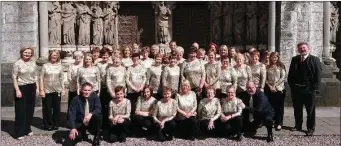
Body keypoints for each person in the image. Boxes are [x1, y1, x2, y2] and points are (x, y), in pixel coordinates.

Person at [287, 42, 322, 136]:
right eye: (300, 48)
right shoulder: (295, 59)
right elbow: (290, 74)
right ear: (298, 50)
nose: (302, 49)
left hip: (309, 90)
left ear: (308, 48)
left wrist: (314, 88)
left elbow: (318, 75)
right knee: (297, 109)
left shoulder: (315, 59)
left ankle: (310, 128)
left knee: (310, 110)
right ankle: (298, 125)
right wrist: (292, 87)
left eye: (304, 48)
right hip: (297, 89)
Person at [12, 47, 39, 140]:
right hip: (21, 87)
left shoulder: (33, 63)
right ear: (22, 53)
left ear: (31, 54)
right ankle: (19, 132)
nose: (27, 54)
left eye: (29, 53)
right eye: (25, 52)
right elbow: (14, 77)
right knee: (20, 111)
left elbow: (35, 76)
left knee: (30, 110)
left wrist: (37, 88)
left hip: (31, 86)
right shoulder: (17, 64)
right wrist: (17, 90)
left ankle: (27, 128)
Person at [40, 50, 65, 130]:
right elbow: (41, 78)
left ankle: (56, 124)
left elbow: (62, 78)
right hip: (47, 89)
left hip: (57, 89)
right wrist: (41, 90)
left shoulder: (60, 66)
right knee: (47, 108)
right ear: (50, 56)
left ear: (58, 57)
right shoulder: (45, 66)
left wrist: (63, 89)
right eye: (53, 55)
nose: (54, 56)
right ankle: (48, 124)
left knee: (57, 108)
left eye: (56, 55)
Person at [265, 52, 286, 131]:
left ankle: (279, 123)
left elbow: (283, 77)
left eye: (276, 57)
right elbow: (265, 78)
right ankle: (273, 121)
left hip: (279, 89)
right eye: (272, 57)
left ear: (278, 57)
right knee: (271, 107)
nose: (274, 59)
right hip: (270, 89)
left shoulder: (281, 66)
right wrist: (270, 86)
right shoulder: (268, 66)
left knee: (279, 108)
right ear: (270, 58)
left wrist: (275, 85)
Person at [96, 48, 111, 129]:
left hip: (110, 88)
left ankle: (108, 122)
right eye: (103, 55)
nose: (105, 57)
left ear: (109, 56)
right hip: (101, 87)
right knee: (101, 105)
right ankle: (101, 123)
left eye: (106, 55)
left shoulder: (111, 64)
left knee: (109, 105)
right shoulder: (98, 64)